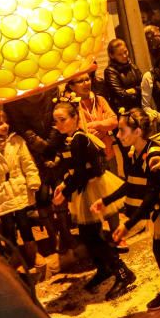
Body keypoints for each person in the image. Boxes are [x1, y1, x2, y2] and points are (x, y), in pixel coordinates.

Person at [96, 109, 160, 310]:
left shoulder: (153, 155)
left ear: (138, 132)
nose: (117, 136)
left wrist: (128, 225)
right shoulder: (136, 151)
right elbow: (132, 183)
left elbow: (150, 195)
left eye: (122, 131)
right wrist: (106, 200)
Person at [47, 101, 135, 299]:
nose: (59, 125)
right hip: (85, 187)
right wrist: (65, 185)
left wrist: (66, 192)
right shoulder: (73, 139)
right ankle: (104, 268)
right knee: (89, 235)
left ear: (75, 118)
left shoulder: (79, 139)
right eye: (56, 121)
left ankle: (122, 272)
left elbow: (83, 172)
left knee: (92, 235)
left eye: (63, 120)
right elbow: (76, 170)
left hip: (91, 188)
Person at [0, 107, 44, 276]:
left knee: (25, 223)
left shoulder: (16, 141)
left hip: (18, 189)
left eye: (5, 122)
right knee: (8, 226)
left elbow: (28, 163)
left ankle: (32, 256)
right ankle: (15, 256)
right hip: (0, 194)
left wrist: (33, 180)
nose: (5, 126)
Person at [103, 38, 143, 115]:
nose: (125, 56)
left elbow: (144, 86)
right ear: (112, 55)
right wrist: (137, 90)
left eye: (125, 52)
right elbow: (121, 95)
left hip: (139, 107)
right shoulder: (110, 71)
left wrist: (133, 90)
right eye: (120, 54)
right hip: (124, 111)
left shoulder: (132, 66)